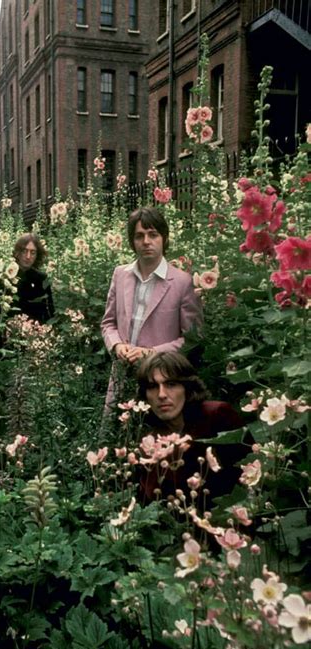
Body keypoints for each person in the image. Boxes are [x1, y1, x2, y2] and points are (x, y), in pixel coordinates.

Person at [101, 206, 202, 412]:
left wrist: (152, 353)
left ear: (164, 238)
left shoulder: (182, 282)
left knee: (154, 437)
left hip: (161, 381)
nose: (146, 241)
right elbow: (108, 323)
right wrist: (117, 346)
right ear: (132, 241)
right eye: (139, 236)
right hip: (122, 376)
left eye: (153, 235)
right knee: (114, 437)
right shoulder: (120, 275)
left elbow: (193, 338)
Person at [136, 352, 247, 504]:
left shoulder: (217, 416)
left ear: (187, 388)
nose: (161, 395)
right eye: (152, 386)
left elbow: (248, 473)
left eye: (171, 384)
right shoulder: (150, 444)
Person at [0, 233, 54, 324]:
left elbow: (49, 313)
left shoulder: (41, 279)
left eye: (33, 252)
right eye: (24, 251)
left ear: (37, 255)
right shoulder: (1, 277)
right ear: (17, 252)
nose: (28, 256)